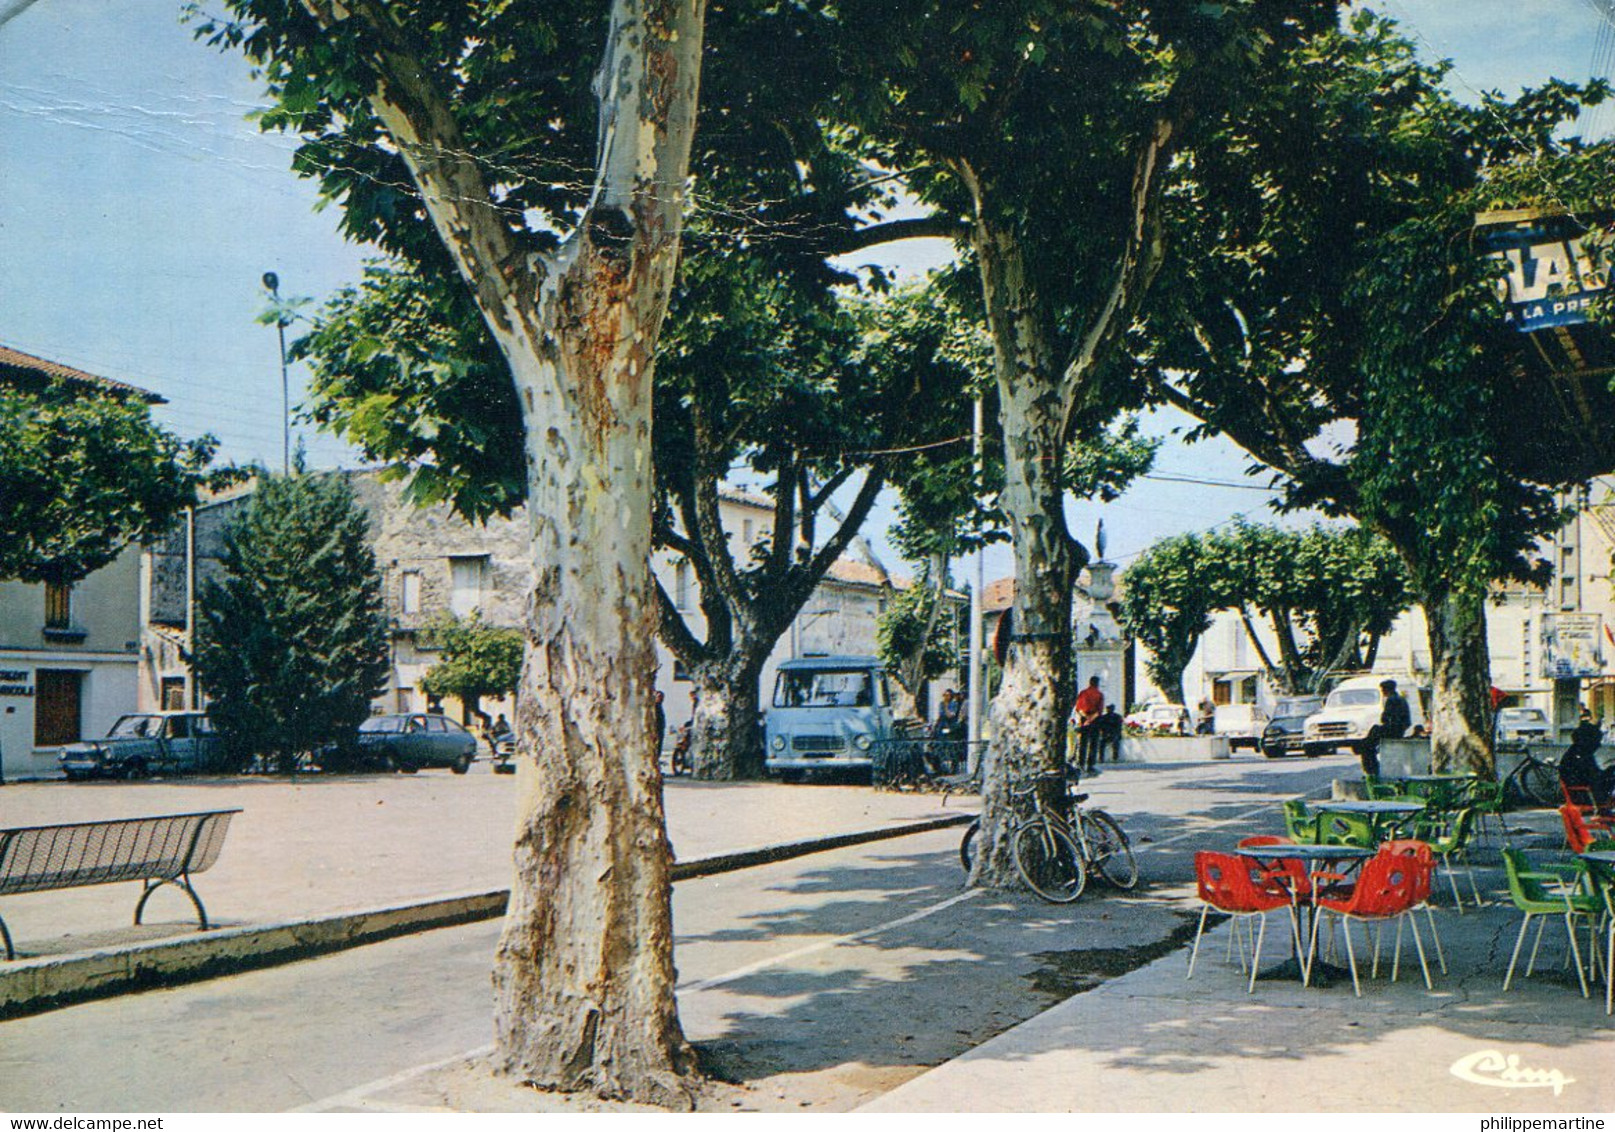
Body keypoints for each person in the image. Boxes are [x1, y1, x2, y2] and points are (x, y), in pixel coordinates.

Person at [1559, 708, 1615, 803]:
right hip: (1580, 784)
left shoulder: (1577, 751)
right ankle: (1603, 805)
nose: (1598, 745)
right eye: (1596, 742)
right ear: (1589, 741)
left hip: (1583, 780)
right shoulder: (1579, 756)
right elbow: (1593, 777)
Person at [1360, 678, 1410, 779]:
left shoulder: (1391, 700)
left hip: (1392, 730)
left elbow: (1385, 718)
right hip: (1400, 729)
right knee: (1374, 731)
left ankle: (1372, 770)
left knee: (1365, 745)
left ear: (1386, 690)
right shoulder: (1401, 699)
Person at [1073, 676, 1104, 774]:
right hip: (1095, 720)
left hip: (1083, 719)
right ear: (1097, 683)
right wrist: (1091, 719)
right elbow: (1099, 711)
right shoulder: (1099, 694)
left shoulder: (1083, 693)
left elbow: (1078, 708)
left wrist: (1086, 718)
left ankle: (1081, 764)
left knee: (1083, 743)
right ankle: (1090, 765)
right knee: (1093, 744)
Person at [652, 690, 667, 759]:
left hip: (660, 729)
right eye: (659, 697)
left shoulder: (659, 706)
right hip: (657, 730)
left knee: (659, 747)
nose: (661, 699)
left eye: (661, 697)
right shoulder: (655, 706)